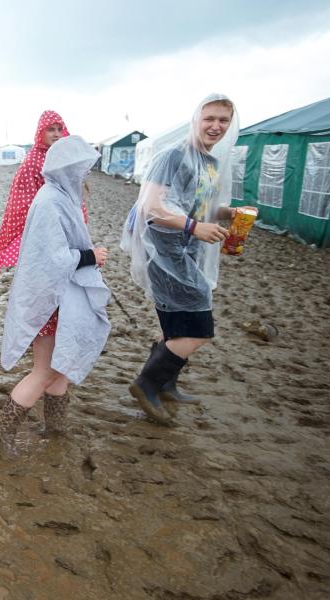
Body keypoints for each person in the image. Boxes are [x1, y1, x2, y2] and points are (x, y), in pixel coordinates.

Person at [120, 93, 246, 424]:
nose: (216, 126)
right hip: (165, 252)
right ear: (195, 119)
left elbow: (194, 204)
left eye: (223, 121)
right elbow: (153, 207)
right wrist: (194, 227)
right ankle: (146, 383)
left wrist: (225, 212)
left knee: (177, 326)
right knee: (200, 328)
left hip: (188, 251)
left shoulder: (210, 162)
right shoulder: (173, 156)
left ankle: (165, 384)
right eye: (210, 118)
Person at [0, 136, 111, 457]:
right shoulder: (50, 201)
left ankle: (54, 429)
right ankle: (1, 434)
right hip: (51, 302)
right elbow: (52, 259)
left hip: (62, 298)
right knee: (46, 370)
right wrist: (90, 257)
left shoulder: (62, 198)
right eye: (80, 169)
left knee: (61, 367)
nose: (84, 175)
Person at [0, 110, 70, 276]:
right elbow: (24, 205)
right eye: (51, 129)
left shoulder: (63, 156)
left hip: (66, 225)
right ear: (41, 132)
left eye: (59, 129)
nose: (57, 134)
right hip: (46, 229)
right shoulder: (33, 161)